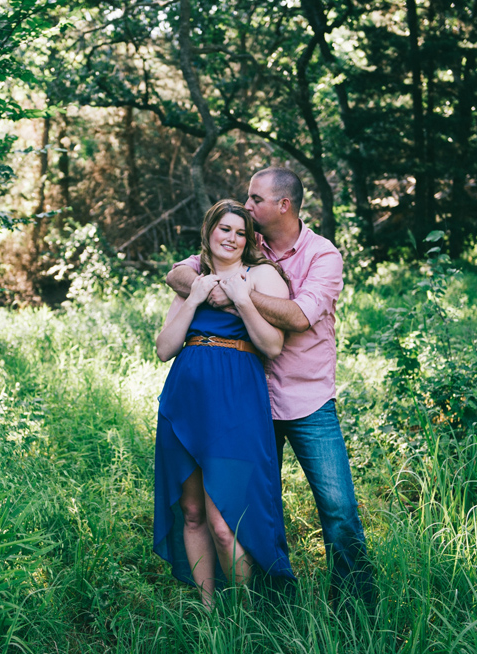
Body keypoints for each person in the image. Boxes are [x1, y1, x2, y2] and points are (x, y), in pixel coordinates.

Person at [166, 168, 376, 606]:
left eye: (255, 198)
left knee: (337, 509)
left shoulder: (323, 255)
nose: (246, 205)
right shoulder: (246, 239)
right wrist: (214, 284)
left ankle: (355, 604)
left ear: (283, 205)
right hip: (247, 399)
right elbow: (180, 274)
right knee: (254, 507)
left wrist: (239, 291)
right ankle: (270, 600)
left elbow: (300, 316)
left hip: (304, 398)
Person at [153, 199, 295, 609]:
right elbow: (165, 349)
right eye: (224, 229)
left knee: (223, 521)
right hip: (185, 404)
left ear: (249, 240)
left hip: (235, 406)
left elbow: (272, 345)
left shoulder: (261, 275)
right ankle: (208, 611)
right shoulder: (193, 278)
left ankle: (244, 613)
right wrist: (195, 298)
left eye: (240, 232)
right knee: (193, 511)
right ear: (209, 231)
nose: (231, 238)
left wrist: (243, 299)